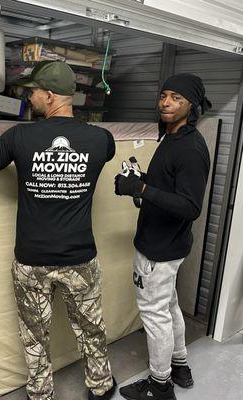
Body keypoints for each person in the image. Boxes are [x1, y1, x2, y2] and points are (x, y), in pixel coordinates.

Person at [0, 60, 116, 400]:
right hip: (80, 258)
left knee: (34, 336)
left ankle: (41, 394)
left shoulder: (20, 136)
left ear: (50, 96)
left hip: (32, 261)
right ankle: (101, 387)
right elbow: (104, 153)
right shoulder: (101, 140)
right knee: (91, 329)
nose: (28, 97)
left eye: (33, 92)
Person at [114, 73, 212, 400]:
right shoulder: (170, 137)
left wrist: (142, 189)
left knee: (155, 317)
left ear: (191, 105)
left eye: (176, 98)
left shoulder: (190, 148)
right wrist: (138, 181)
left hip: (159, 249)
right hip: (169, 246)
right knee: (169, 308)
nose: (166, 103)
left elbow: (189, 206)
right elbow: (166, 186)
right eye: (164, 95)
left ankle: (160, 385)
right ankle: (180, 365)